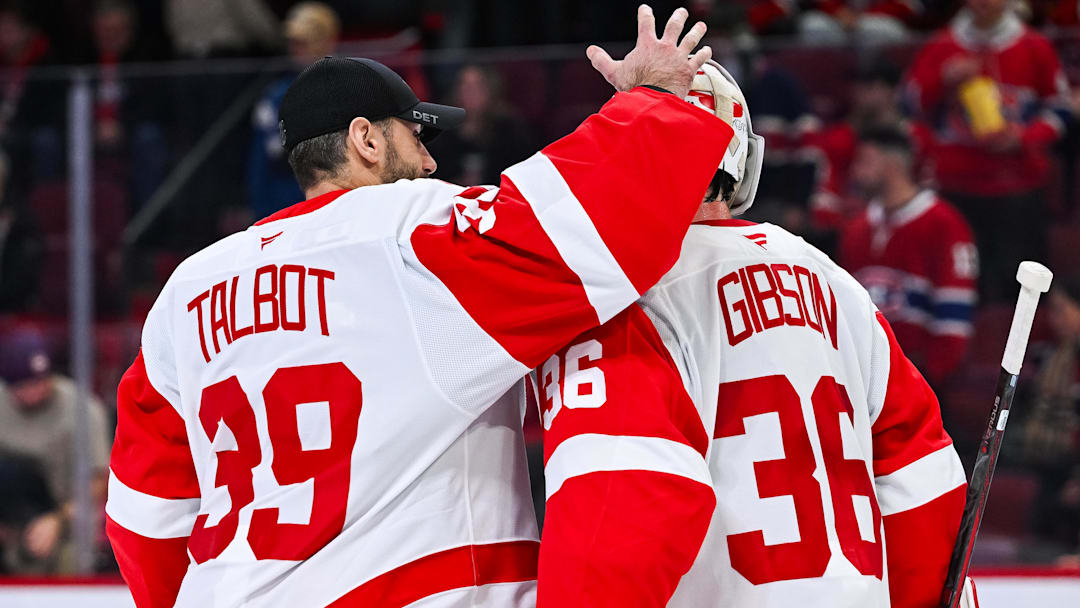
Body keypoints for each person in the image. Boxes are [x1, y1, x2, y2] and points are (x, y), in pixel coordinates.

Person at [104, 6, 728, 607]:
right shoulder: (408, 231)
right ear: (366, 140)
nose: (431, 160)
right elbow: (587, 231)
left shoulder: (188, 289)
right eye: (416, 134)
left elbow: (144, 517)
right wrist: (653, 99)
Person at [535, 61, 977, 607]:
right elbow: (923, 487)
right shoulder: (835, 282)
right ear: (741, 162)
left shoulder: (623, 301)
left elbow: (620, 514)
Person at [904, 0, 1073, 302]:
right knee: (965, 287)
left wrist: (1023, 137)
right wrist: (942, 80)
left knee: (1018, 289)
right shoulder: (942, 46)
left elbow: (1061, 110)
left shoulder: (1034, 47)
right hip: (956, 189)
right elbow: (910, 104)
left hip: (1018, 189)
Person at [839, 127, 978, 388]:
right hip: (864, 377)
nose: (857, 171)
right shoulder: (856, 228)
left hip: (920, 377)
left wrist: (933, 377)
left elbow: (954, 316)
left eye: (866, 162)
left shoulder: (944, 223)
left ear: (893, 165)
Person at [0, 326, 111, 574]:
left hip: (70, 517)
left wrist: (56, 521)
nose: (37, 389)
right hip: (14, 512)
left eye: (42, 380)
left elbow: (97, 482)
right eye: (25, 385)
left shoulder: (83, 408)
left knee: (72, 563)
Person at [247, 2, 341, 220]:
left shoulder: (350, 86)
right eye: (295, 43)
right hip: (284, 205)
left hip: (334, 206)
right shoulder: (276, 95)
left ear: (327, 40)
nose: (296, 50)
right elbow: (265, 159)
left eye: (304, 43)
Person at [426, 64, 535, 186]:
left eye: (477, 86)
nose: (469, 92)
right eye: (464, 86)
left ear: (491, 90)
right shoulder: (442, 129)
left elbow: (522, 170)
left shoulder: (509, 129)